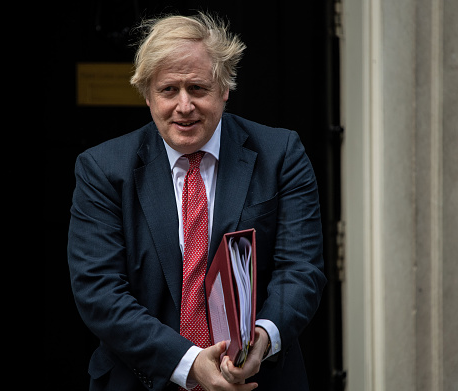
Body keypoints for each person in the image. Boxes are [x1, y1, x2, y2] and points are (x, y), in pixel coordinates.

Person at [67, 12, 326, 391]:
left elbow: (301, 270)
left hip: (258, 378)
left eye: (198, 89)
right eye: (169, 90)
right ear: (147, 94)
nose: (184, 105)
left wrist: (261, 340)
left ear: (224, 88)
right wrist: (187, 363)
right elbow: (98, 291)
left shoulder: (280, 154)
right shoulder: (103, 169)